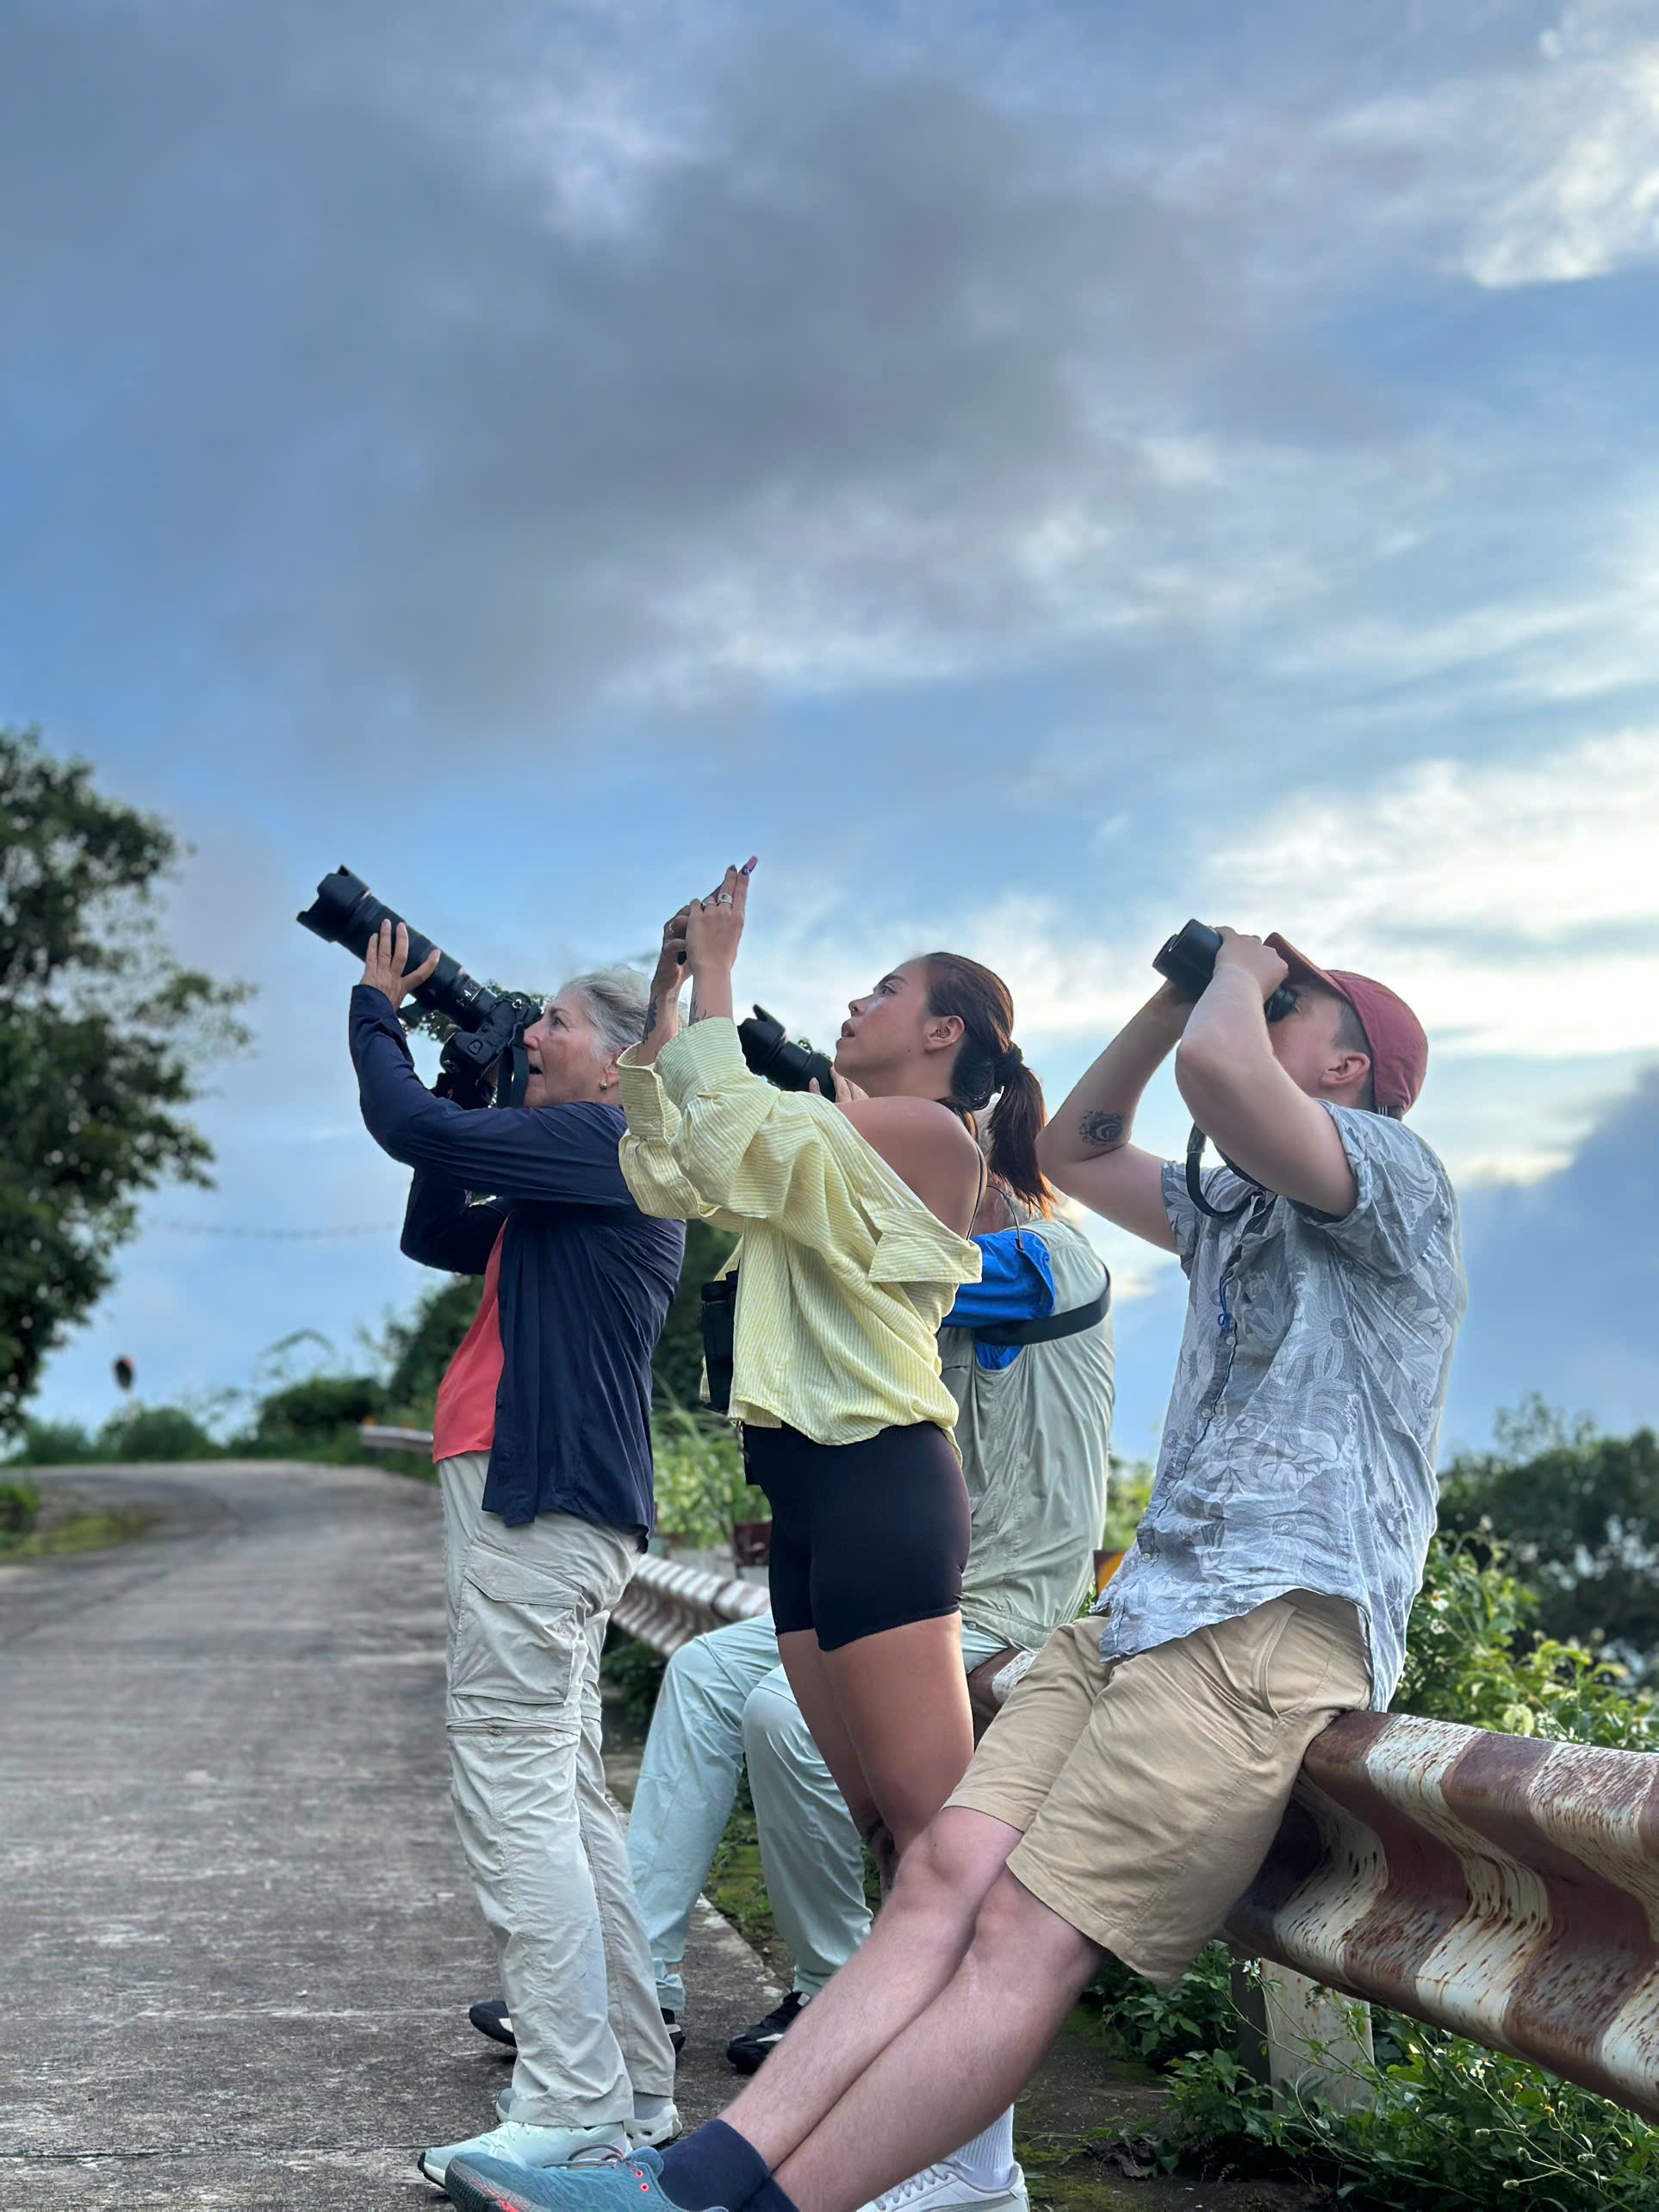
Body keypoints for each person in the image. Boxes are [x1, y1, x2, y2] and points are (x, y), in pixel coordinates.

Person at [439, 924, 1465, 2212]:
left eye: (1298, 1013)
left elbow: (1217, 1079)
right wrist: (1170, 994)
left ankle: (796, 2199)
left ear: (1353, 1072)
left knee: (1022, 1937)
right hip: (1137, 1615)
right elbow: (1082, 1144)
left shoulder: (1390, 1173)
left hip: (1267, 1624)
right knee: (933, 1881)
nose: (1261, 1017)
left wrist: (1237, 983)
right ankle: (693, 2179)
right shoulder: (1239, 1212)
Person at [471, 1175, 1113, 2208]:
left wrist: (797, 1179)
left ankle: (836, 1986)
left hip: (1002, 1599)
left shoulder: (1047, 1257)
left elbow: (895, 1270)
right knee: (702, 1672)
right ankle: (651, 1984)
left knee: (787, 1719)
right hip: (908, 1586)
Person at [618, 863, 1053, 1879]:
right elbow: (671, 1174)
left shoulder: (933, 1135)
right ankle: (897, 2029)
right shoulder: (835, 1149)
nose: (858, 1002)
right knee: (882, 1831)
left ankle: (950, 2033)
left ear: (944, 1033)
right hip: (811, 1502)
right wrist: (668, 1001)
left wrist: (722, 975)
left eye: (887, 990)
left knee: (937, 1839)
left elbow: (730, 1135)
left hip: (877, 1481)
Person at [347, 923, 686, 2192]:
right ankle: (632, 2086)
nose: (533, 1033)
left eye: (553, 1024)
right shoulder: (587, 1171)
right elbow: (436, 1223)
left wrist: (378, 1011)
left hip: (533, 1500)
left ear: (619, 1064)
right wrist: (473, 1067)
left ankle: (569, 2099)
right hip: (555, 1503)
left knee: (511, 1781)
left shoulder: (609, 1145)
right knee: (566, 1794)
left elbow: (408, 1137)